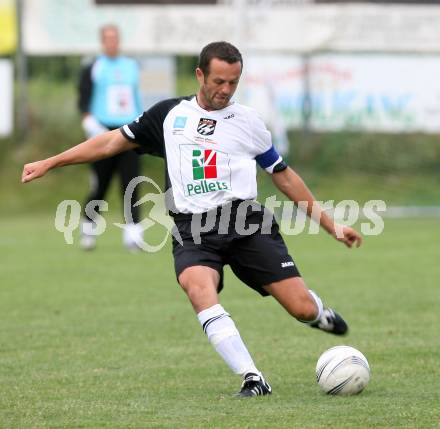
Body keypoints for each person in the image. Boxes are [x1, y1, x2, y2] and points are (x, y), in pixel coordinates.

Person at [22, 41, 362, 398]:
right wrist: (51, 161)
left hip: (246, 224)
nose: (225, 90)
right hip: (193, 229)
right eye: (218, 81)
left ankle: (319, 313)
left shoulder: (248, 122)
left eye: (233, 82)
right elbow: (110, 143)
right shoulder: (169, 116)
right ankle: (252, 377)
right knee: (198, 288)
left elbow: (284, 176)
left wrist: (331, 224)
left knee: (300, 307)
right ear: (200, 74)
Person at [78, 24, 143, 250]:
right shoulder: (93, 67)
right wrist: (92, 126)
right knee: (100, 185)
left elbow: (136, 98)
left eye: (115, 38)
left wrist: (141, 125)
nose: (112, 42)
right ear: (102, 41)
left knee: (131, 184)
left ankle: (133, 235)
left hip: (129, 132)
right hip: (103, 133)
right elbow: (84, 101)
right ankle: (88, 228)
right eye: (108, 38)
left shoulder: (131, 66)